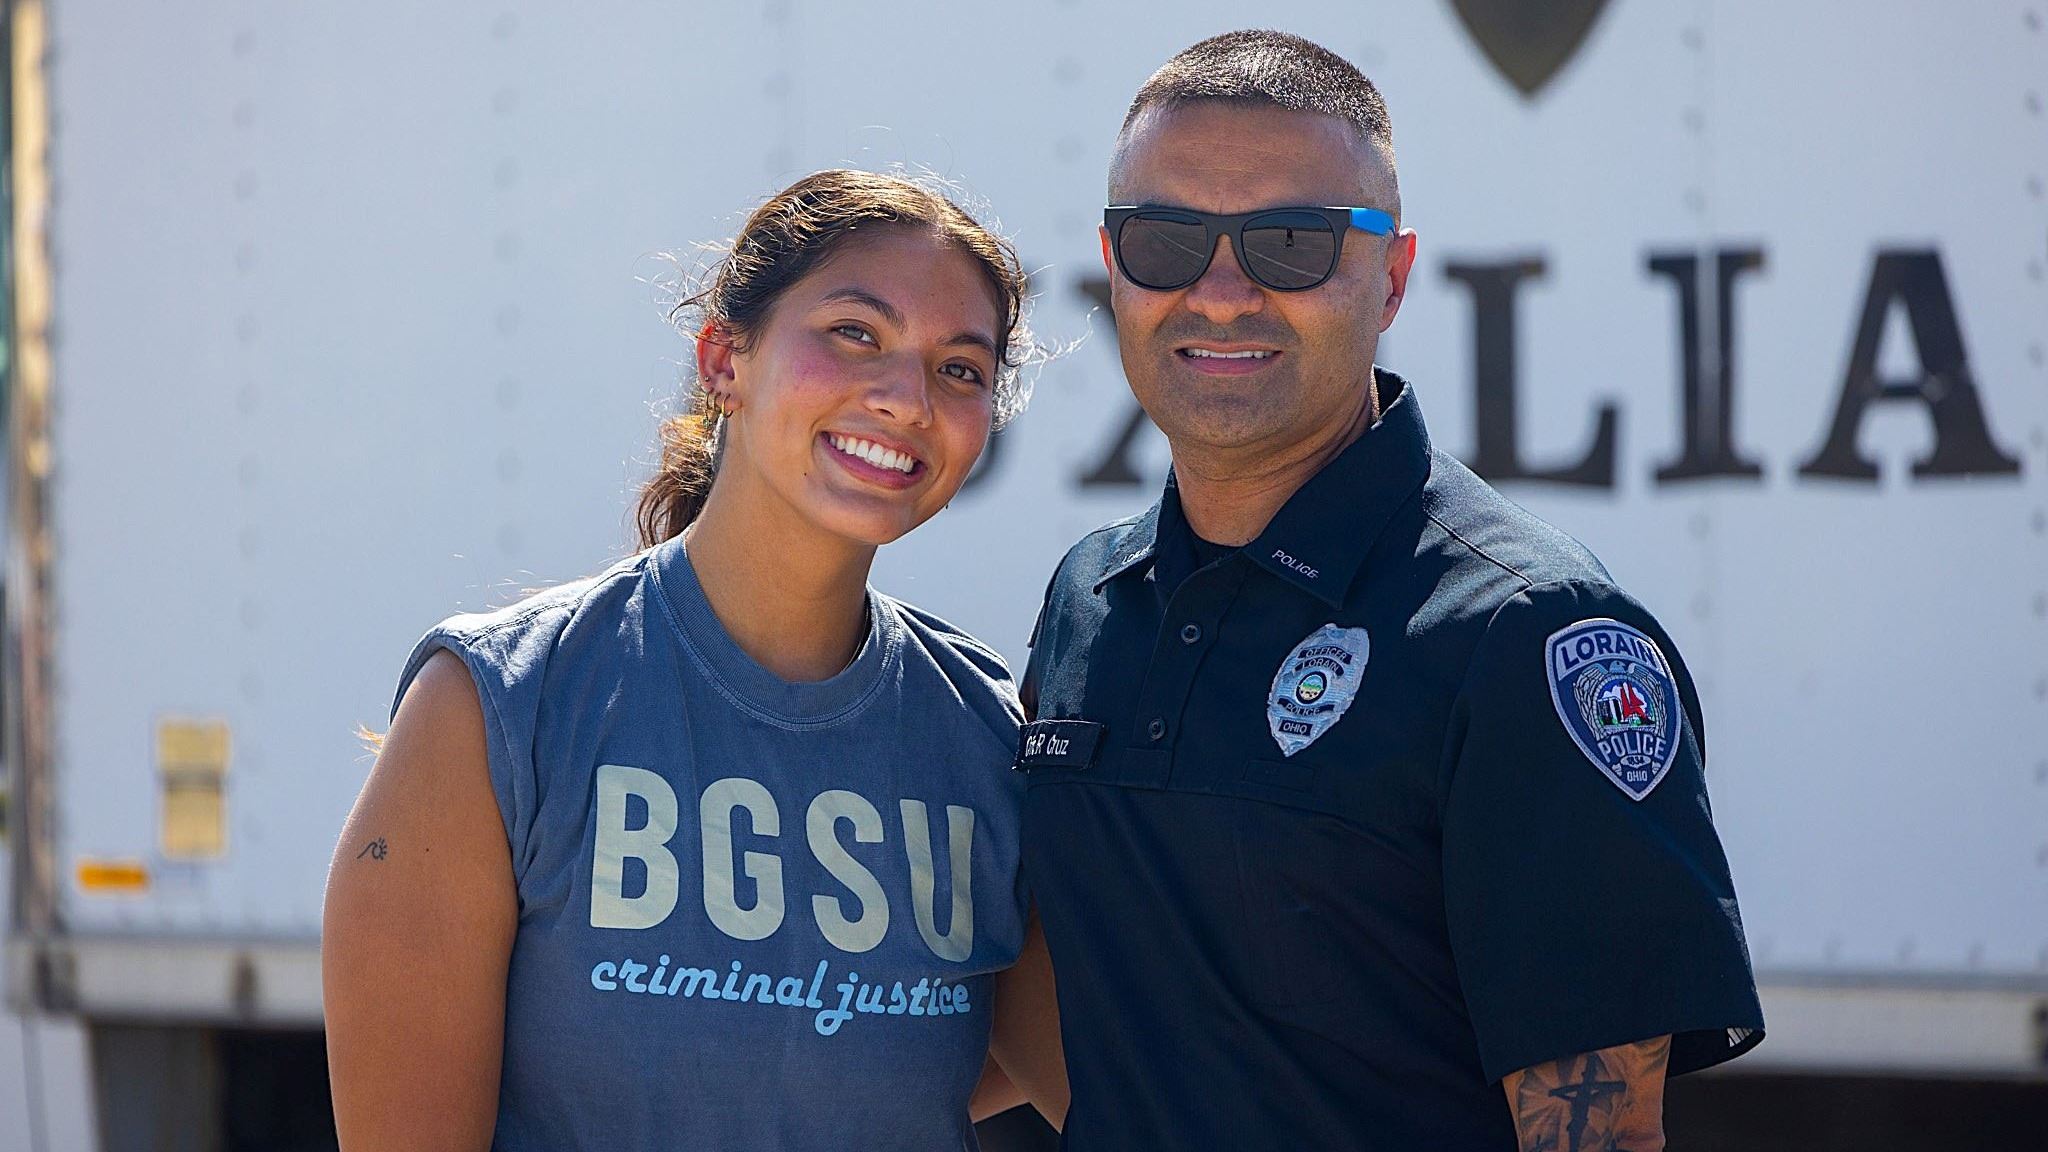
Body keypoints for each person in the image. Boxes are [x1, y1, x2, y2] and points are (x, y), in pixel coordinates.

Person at [1014, 31, 1764, 1151]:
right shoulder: (1091, 596)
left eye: (1289, 242)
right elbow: (1065, 1044)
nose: (1220, 294)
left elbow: (1600, 1134)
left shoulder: (1524, 632)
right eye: (1165, 240)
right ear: (1113, 265)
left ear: (1392, 278)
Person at [323, 169, 1067, 1151]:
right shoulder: (499, 707)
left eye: (959, 369)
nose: (904, 397)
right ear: (724, 359)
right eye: (855, 332)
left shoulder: (986, 734)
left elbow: (1095, 1080)